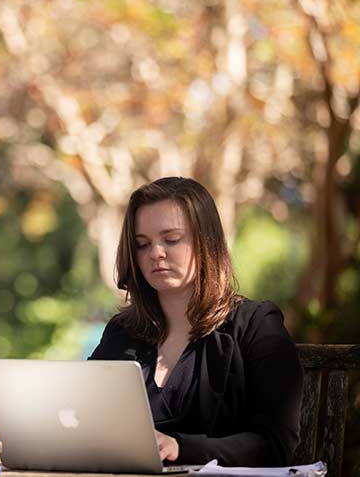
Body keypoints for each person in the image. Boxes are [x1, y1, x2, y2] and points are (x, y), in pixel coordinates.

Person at [88, 177, 303, 467]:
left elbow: (274, 444)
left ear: (206, 242)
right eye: (142, 244)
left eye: (171, 239)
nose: (156, 253)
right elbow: (83, 417)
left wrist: (179, 447)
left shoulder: (255, 326)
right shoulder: (122, 332)